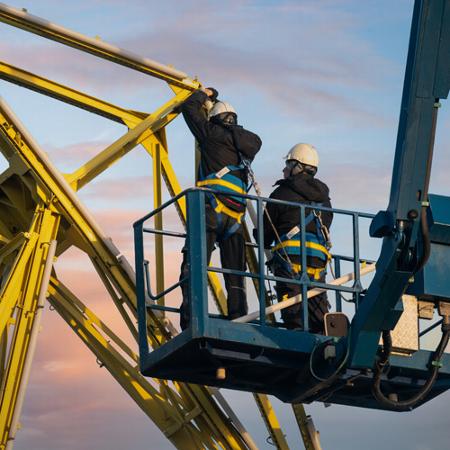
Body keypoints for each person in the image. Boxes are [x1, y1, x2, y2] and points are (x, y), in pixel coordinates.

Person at [179, 87, 262, 330]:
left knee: (194, 262)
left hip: (211, 210)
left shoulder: (211, 133)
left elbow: (189, 109)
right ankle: (238, 318)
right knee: (236, 272)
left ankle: (190, 317)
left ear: (215, 118)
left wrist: (203, 94)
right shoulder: (247, 144)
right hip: (236, 216)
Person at [262, 143, 333, 333]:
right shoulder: (325, 199)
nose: (284, 169)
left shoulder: (281, 193)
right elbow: (327, 224)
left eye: (288, 164)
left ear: (297, 166)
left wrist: (259, 236)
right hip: (317, 260)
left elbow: (265, 234)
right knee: (317, 313)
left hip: (290, 260)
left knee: (294, 316)